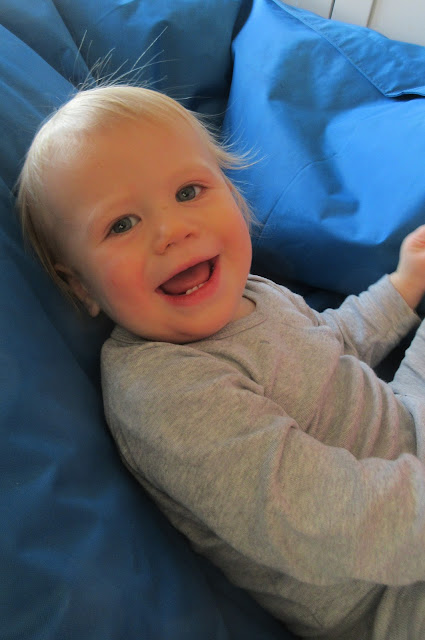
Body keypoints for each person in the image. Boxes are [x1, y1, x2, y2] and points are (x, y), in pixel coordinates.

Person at [16, 84, 425, 640]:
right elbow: (322, 520)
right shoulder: (165, 391)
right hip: (390, 589)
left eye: (189, 191)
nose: (172, 231)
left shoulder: (253, 292)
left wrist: (402, 287)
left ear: (234, 195)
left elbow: (331, 344)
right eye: (121, 225)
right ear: (81, 286)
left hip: (405, 421)